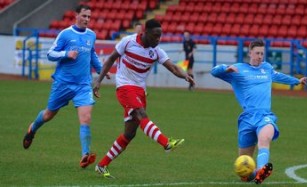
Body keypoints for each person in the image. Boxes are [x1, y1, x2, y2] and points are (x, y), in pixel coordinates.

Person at [93, 19, 195, 178]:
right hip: (124, 87)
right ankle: (166, 143)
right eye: (155, 36)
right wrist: (98, 80)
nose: (158, 39)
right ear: (145, 33)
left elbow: (174, 68)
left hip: (140, 91)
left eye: (160, 36)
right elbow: (112, 58)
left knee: (129, 134)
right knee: (141, 114)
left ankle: (102, 165)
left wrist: (186, 76)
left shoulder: (157, 52)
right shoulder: (128, 42)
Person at [22, 4, 108, 168]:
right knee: (48, 115)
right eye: (84, 16)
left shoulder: (91, 35)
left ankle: (85, 154)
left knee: (86, 118)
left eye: (89, 17)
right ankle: (32, 130)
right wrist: (66, 54)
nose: (87, 20)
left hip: (83, 85)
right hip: (63, 84)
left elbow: (91, 54)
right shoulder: (66, 34)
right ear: (76, 15)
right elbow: (50, 54)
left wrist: (100, 69)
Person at [210, 39, 307, 184]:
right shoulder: (238, 69)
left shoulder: (266, 68)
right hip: (247, 118)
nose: (260, 56)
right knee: (244, 169)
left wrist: (296, 81)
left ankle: (262, 169)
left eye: (262, 53)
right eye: (257, 53)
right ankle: (255, 173)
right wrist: (226, 68)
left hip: (264, 116)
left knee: (264, 139)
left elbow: (279, 76)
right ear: (250, 53)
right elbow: (214, 71)